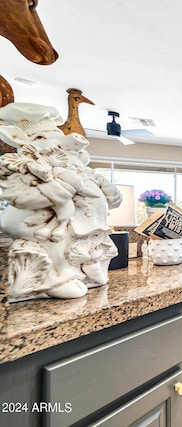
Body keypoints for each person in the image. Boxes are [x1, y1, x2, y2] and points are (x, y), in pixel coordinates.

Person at [0, 103, 121, 301]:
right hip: (40, 226)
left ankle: (91, 269)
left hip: (84, 227)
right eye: (44, 137)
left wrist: (111, 194)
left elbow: (105, 196)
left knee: (82, 244)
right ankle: (55, 281)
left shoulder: (80, 169)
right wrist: (58, 187)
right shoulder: (25, 168)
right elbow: (21, 198)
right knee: (54, 244)